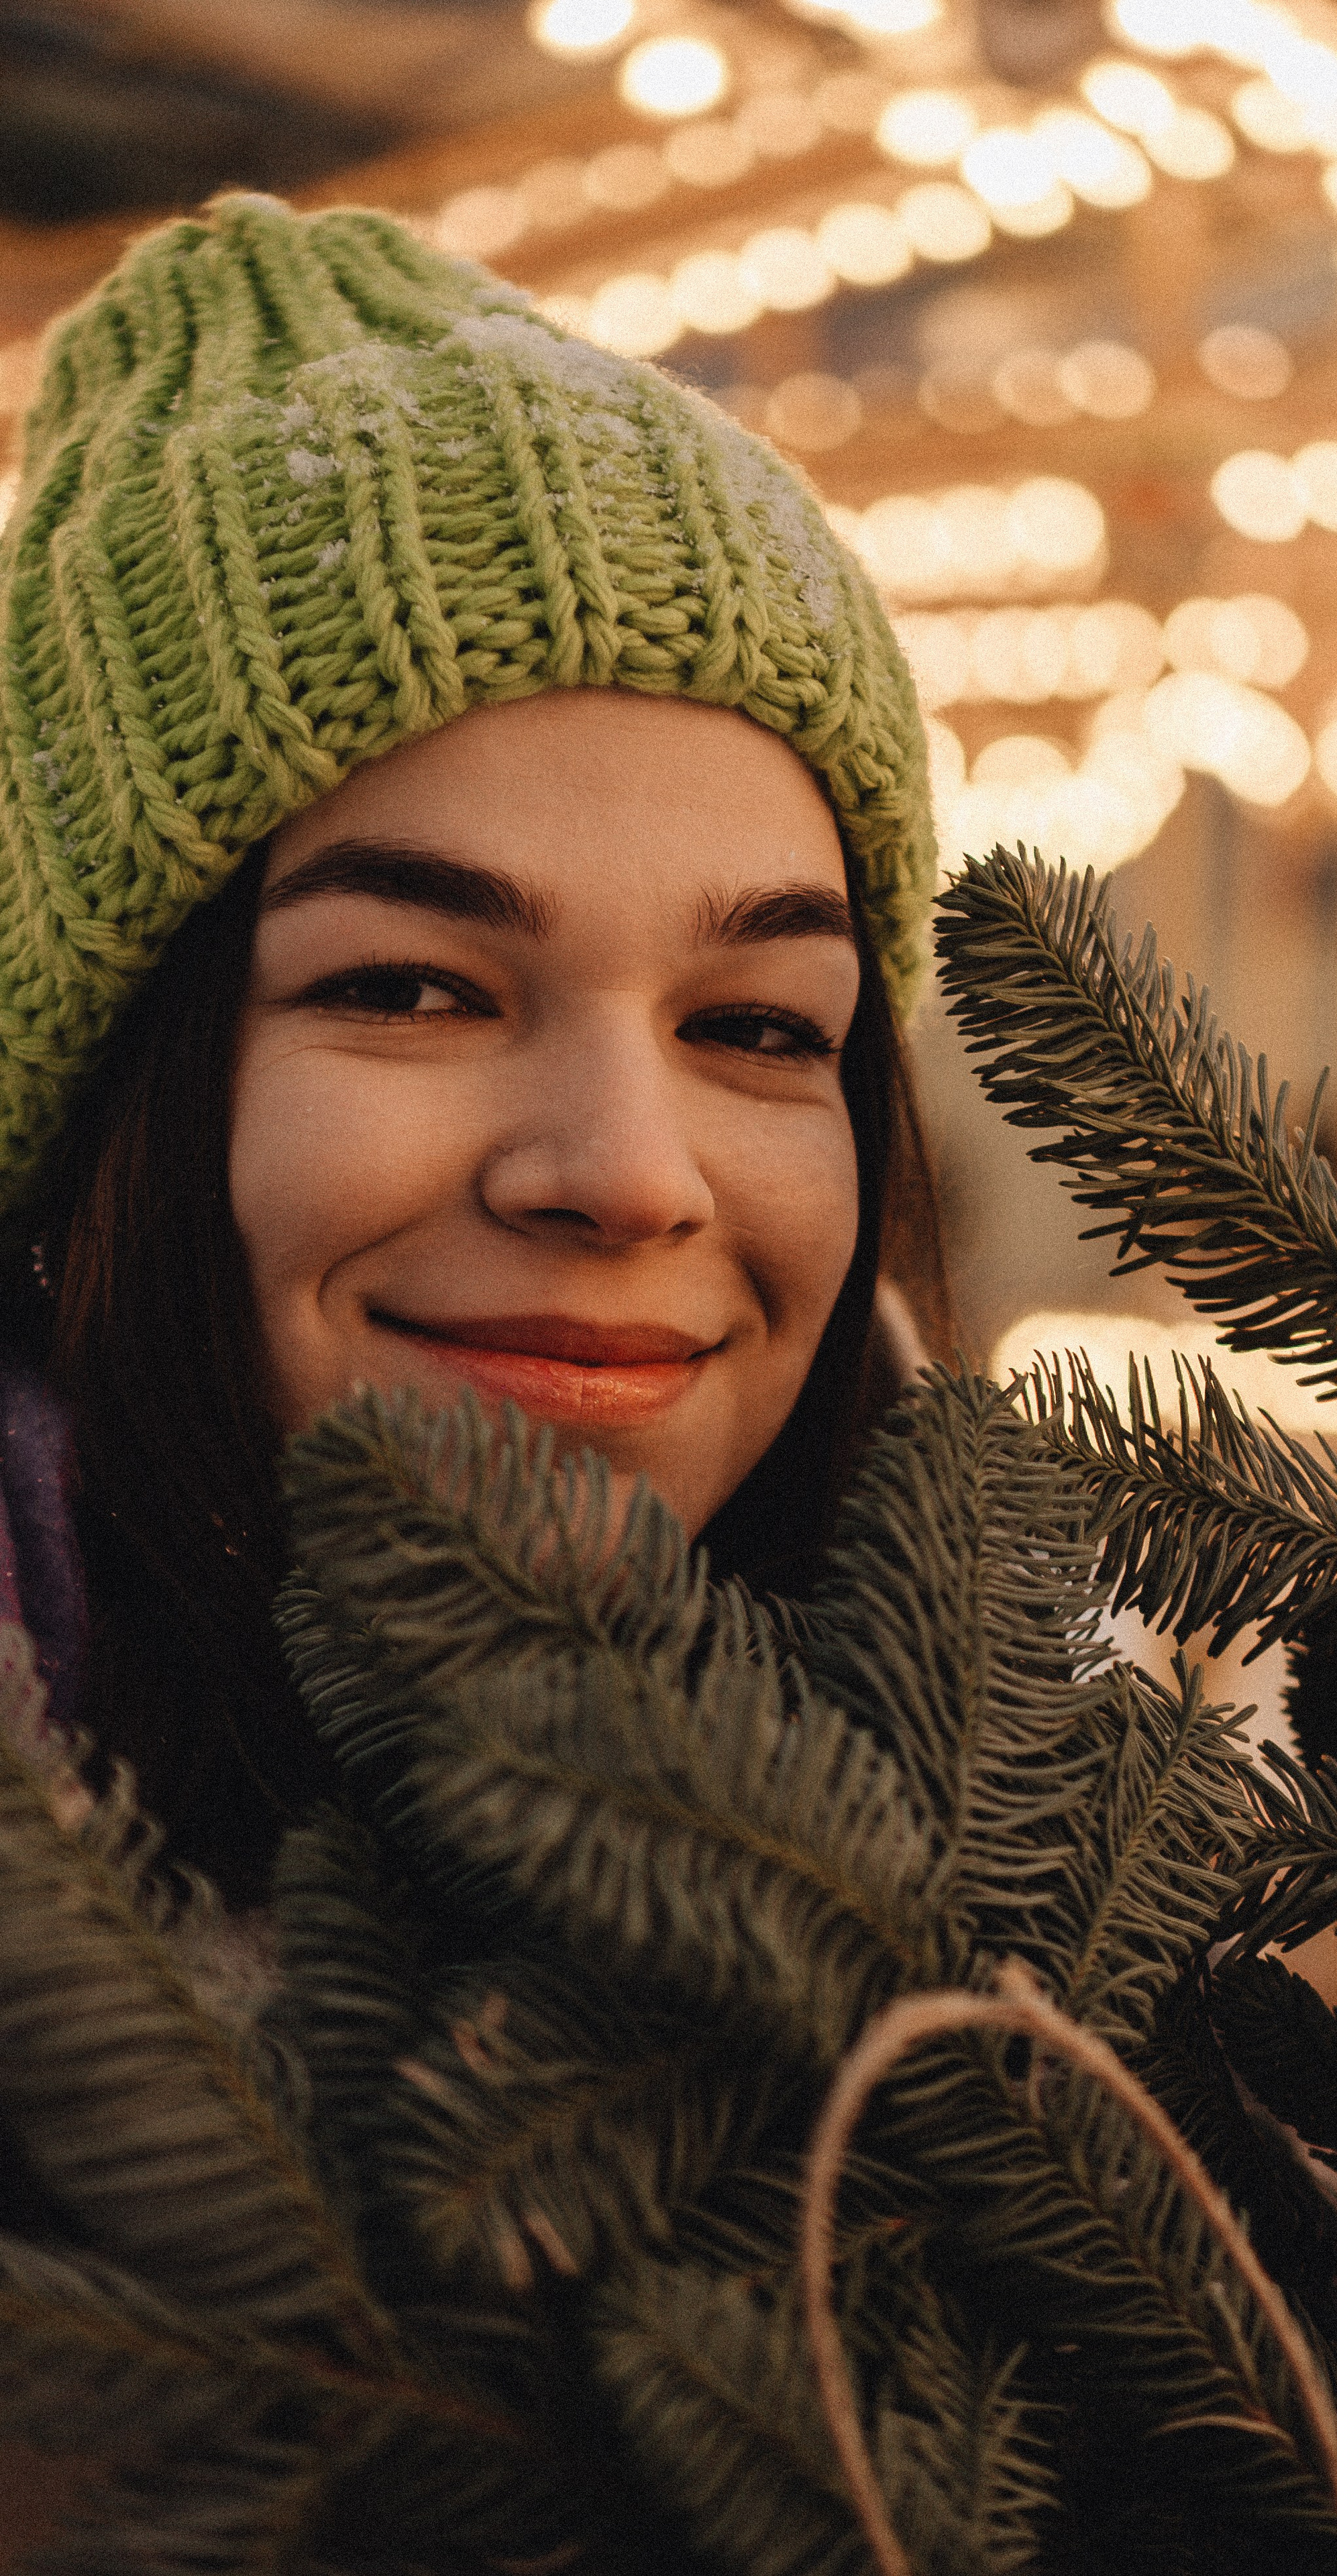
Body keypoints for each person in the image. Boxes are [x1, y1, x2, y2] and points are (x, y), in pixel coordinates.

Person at [0, 191, 947, 1918]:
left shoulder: (1079, 1911)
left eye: (752, 1026)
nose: (627, 1177)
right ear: (90, 1097)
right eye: (413, 992)